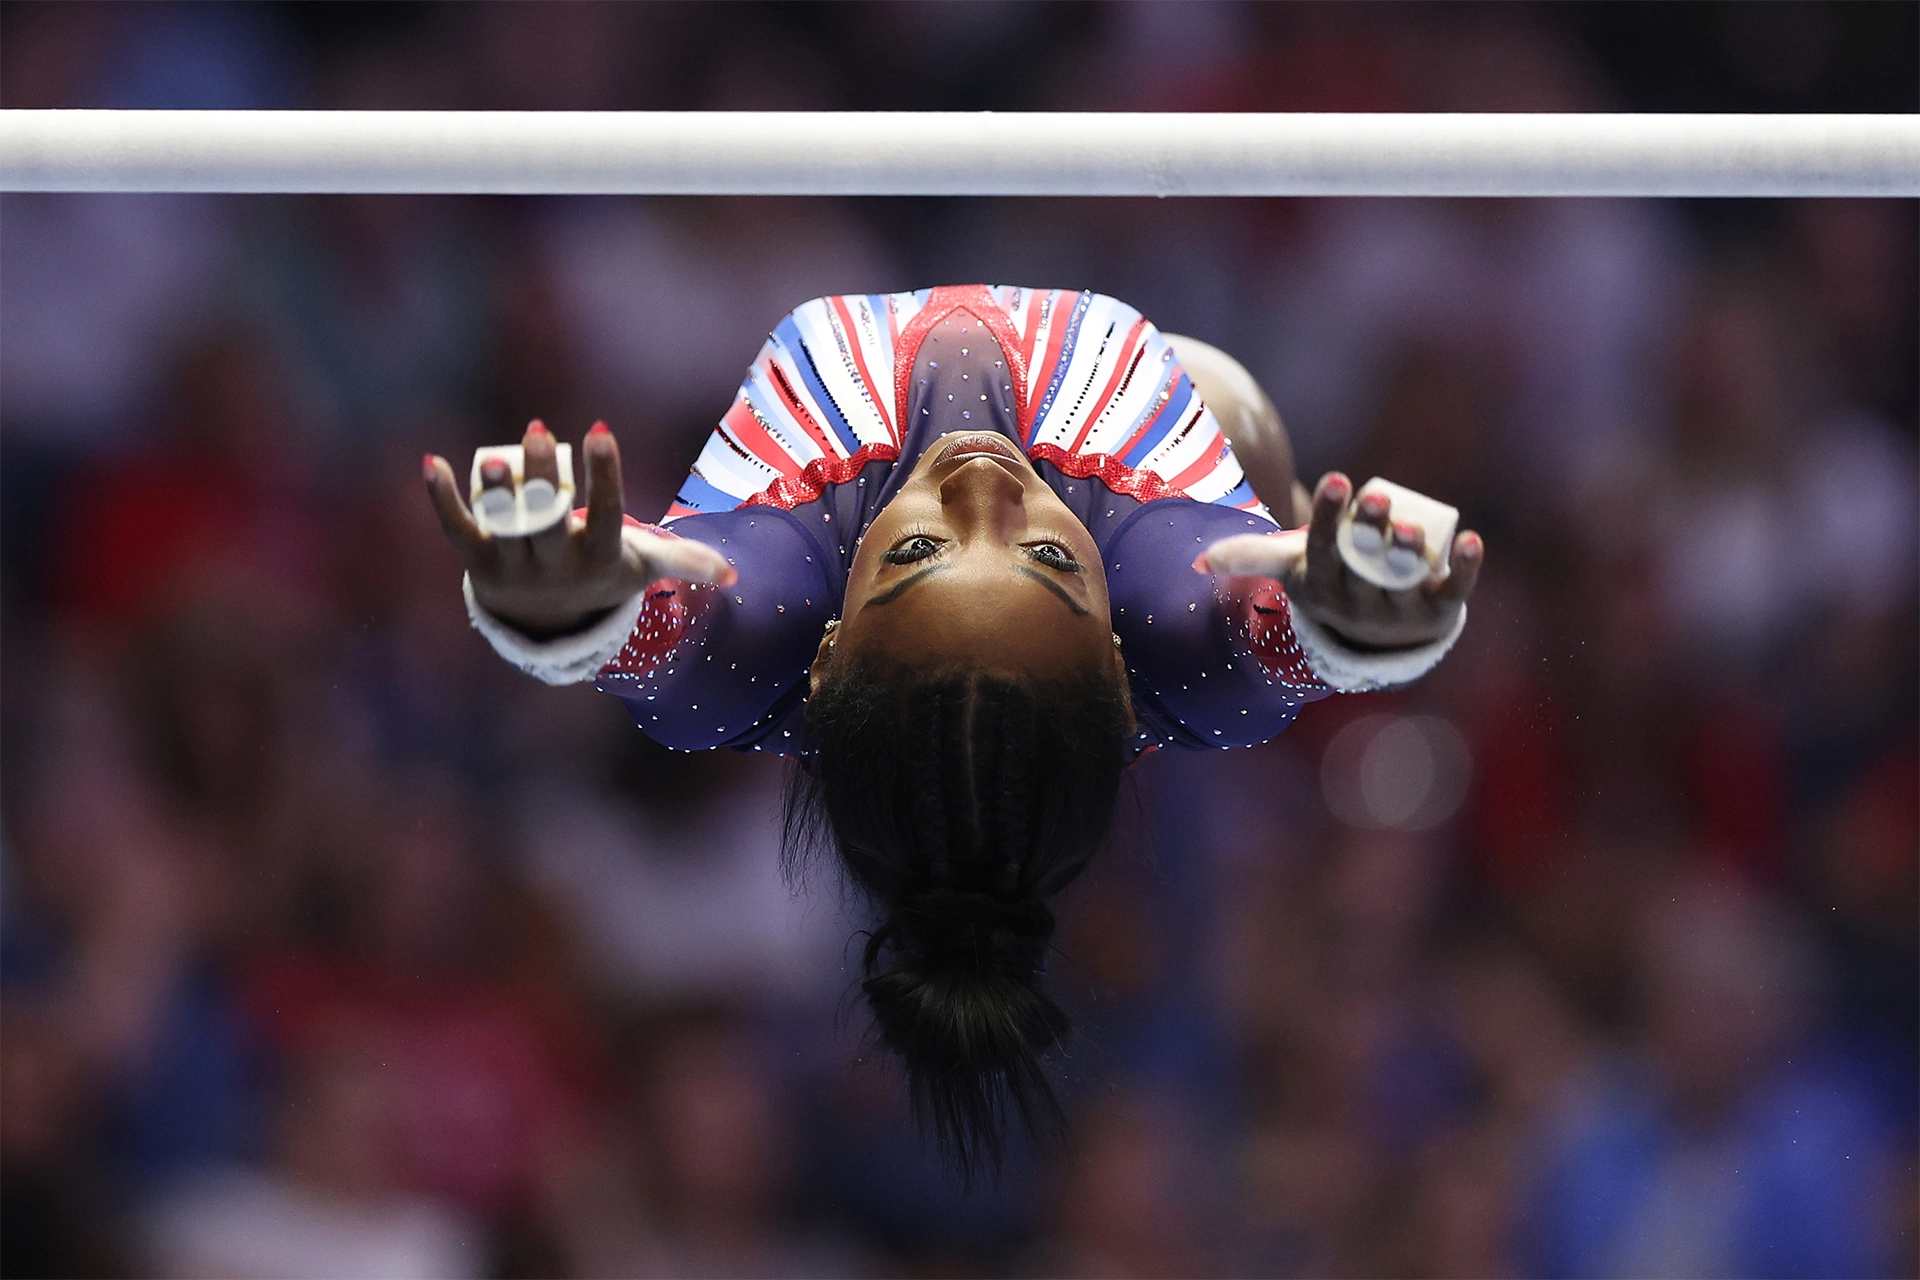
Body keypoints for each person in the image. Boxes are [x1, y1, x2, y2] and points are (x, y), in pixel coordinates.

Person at [423, 285, 1482, 1176]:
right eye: (1054, 559)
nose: (984, 485)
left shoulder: (761, 637)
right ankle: (1267, 481)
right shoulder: (1176, 636)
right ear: (1115, 665)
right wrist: (1363, 619)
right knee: (1235, 434)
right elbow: (1283, 641)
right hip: (1179, 479)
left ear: (831, 649)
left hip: (869, 566)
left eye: (918, 549)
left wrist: (563, 600)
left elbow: (647, 640)